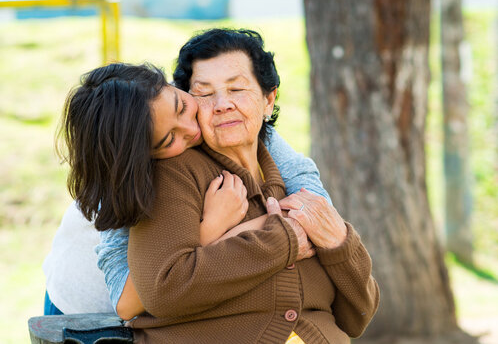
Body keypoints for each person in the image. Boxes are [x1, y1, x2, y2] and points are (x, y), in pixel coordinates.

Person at [118, 28, 379, 343]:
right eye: (203, 93)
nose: (222, 104)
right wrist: (280, 240)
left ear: (269, 100)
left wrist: (339, 244)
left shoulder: (290, 183)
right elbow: (164, 289)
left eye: (237, 89)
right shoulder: (175, 174)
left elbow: (357, 316)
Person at [43, 62, 331, 315]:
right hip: (85, 313)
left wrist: (312, 221)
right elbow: (127, 302)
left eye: (181, 106)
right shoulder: (126, 183)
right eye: (169, 141)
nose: (192, 130)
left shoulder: (217, 113)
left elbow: (301, 174)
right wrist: (216, 226)